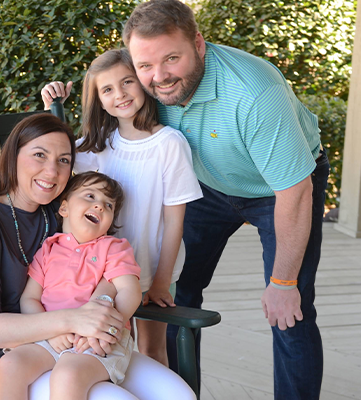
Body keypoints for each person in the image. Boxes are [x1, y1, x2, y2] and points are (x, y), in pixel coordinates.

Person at [121, 1, 329, 399]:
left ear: (198, 44)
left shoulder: (254, 93)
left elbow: (294, 191)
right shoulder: (142, 80)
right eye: (144, 65)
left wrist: (282, 282)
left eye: (172, 58)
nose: (159, 77)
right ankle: (180, 393)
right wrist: (54, 98)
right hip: (205, 186)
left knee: (289, 311)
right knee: (172, 295)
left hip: (278, 190)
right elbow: (103, 91)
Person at [0, 113, 196, 400]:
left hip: (86, 337)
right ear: (12, 156)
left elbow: (107, 267)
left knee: (178, 395)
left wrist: (98, 308)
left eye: (63, 160)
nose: (52, 171)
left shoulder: (57, 214)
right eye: (39, 155)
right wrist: (74, 321)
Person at [41, 48, 203, 367]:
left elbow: (174, 222)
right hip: (104, 271)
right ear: (99, 101)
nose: (121, 94)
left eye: (127, 82)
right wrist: (52, 107)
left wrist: (159, 281)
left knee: (152, 349)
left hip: (154, 265)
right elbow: (56, 152)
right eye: (108, 89)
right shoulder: (99, 146)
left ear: (142, 82)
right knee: (101, 344)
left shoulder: (169, 144)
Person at [0, 171, 142, 399]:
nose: (100, 206)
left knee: (67, 375)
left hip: (97, 340)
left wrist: (105, 327)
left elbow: (129, 290)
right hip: (52, 336)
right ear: (64, 208)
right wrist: (50, 332)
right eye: (90, 196)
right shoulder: (48, 249)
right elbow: (29, 298)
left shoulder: (113, 247)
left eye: (109, 205)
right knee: (10, 364)